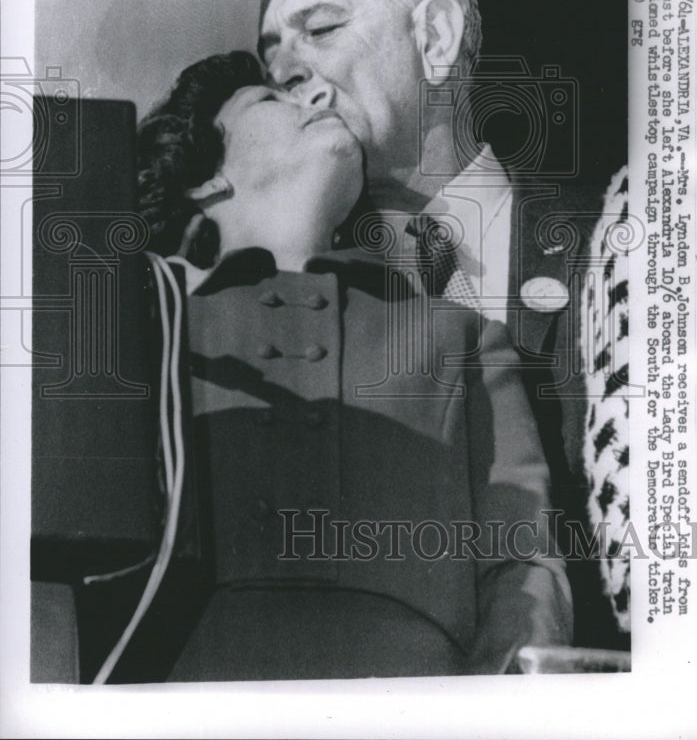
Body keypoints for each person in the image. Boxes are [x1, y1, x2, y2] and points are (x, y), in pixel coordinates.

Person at [130, 49, 572, 681]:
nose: (316, 98)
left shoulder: (463, 336)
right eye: (270, 99)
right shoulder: (151, 328)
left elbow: (523, 563)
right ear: (204, 179)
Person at [258, 0, 630, 646]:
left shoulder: (623, 236)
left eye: (321, 29)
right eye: (269, 57)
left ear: (434, 39)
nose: (287, 71)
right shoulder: (282, 297)